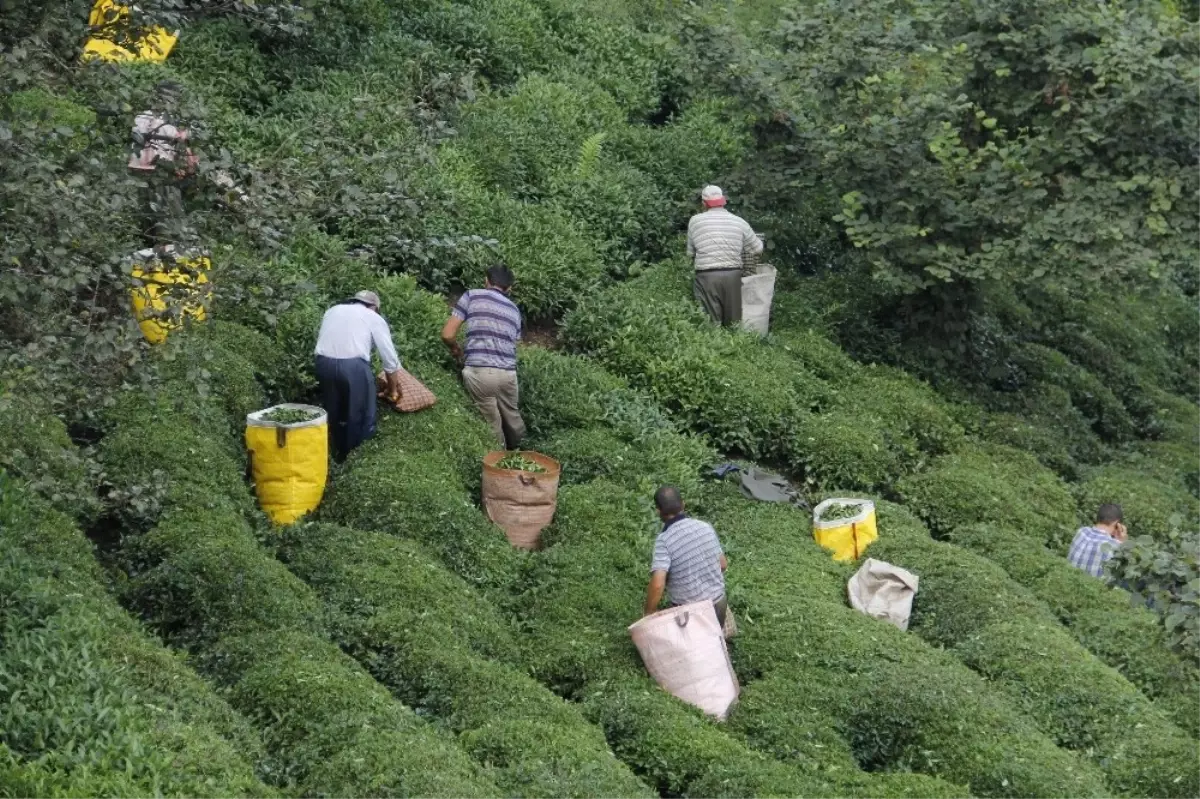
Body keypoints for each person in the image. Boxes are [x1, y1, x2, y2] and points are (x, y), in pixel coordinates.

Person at [441, 265, 526, 449]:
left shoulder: (472, 295)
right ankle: (525, 454)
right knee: (513, 417)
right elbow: (515, 344)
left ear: (486, 281)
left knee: (491, 423)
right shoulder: (514, 310)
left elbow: (447, 334)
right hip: (508, 374)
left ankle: (500, 463)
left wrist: (456, 350)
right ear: (509, 288)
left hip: (480, 372)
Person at [314, 290, 404, 462]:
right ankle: (355, 459)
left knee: (333, 410)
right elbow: (390, 360)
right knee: (360, 413)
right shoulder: (373, 317)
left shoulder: (332, 310)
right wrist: (392, 390)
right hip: (353, 367)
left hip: (322, 363)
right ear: (374, 307)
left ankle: (332, 455)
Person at [644, 486, 729, 625]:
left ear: (658, 511)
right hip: (718, 604)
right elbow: (723, 565)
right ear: (683, 504)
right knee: (713, 641)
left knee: (691, 645)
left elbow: (658, 585)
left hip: (689, 613)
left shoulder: (664, 540)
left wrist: (648, 613)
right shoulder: (705, 526)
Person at [128, 80, 198, 248]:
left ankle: (147, 246)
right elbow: (182, 147)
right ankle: (170, 249)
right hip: (161, 173)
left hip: (138, 171)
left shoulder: (140, 117)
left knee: (147, 214)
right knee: (171, 217)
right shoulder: (169, 124)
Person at [686, 185, 763, 326]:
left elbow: (690, 253)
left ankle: (710, 345)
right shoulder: (739, 221)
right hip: (733, 276)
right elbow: (757, 248)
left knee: (710, 324)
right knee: (733, 324)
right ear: (723, 201)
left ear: (704, 204)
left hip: (706, 277)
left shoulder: (695, 221)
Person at [1067, 503, 1128, 578]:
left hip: (1069, 577)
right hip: (1094, 587)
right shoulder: (1114, 545)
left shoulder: (1082, 531)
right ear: (1117, 524)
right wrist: (1122, 542)